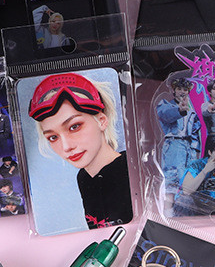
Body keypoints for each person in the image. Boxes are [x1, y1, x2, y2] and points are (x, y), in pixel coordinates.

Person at [28, 72, 132, 229]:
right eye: (53, 137)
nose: (66, 147)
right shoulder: (84, 178)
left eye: (74, 127)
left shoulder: (132, 169)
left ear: (101, 120)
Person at [156, 78, 200, 213]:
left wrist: (194, 153)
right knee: (172, 179)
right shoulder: (166, 105)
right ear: (174, 91)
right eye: (179, 89)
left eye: (185, 89)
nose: (182, 92)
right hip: (174, 144)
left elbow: (194, 133)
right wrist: (180, 110)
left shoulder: (191, 111)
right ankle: (168, 213)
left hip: (187, 146)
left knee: (186, 180)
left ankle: (182, 213)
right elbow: (165, 115)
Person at [173, 135, 215, 216]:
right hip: (193, 205)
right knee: (185, 200)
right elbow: (186, 191)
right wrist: (205, 171)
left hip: (211, 205)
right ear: (210, 152)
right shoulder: (196, 165)